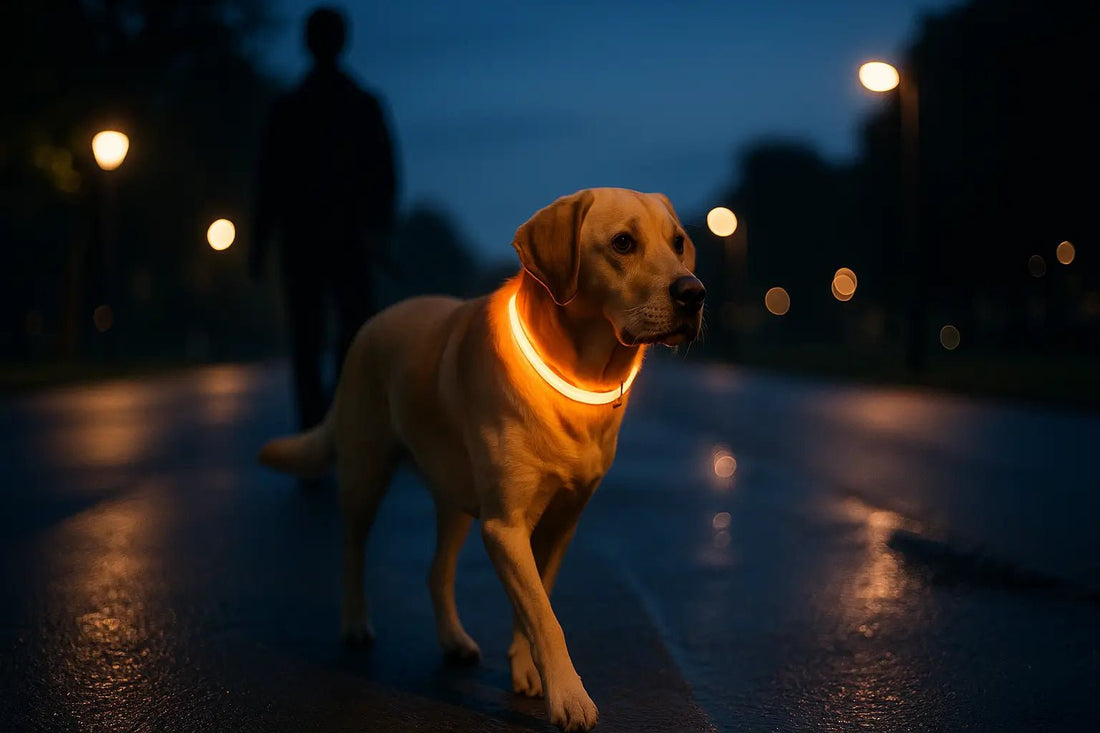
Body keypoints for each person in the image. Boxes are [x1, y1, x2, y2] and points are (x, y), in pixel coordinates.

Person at [250, 5, 398, 431]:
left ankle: (314, 426)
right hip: (349, 240)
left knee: (307, 338)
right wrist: (379, 231)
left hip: (302, 240)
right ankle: (339, 419)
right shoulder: (363, 105)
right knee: (352, 335)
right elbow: (384, 176)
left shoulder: (289, 108)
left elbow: (268, 179)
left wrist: (260, 242)